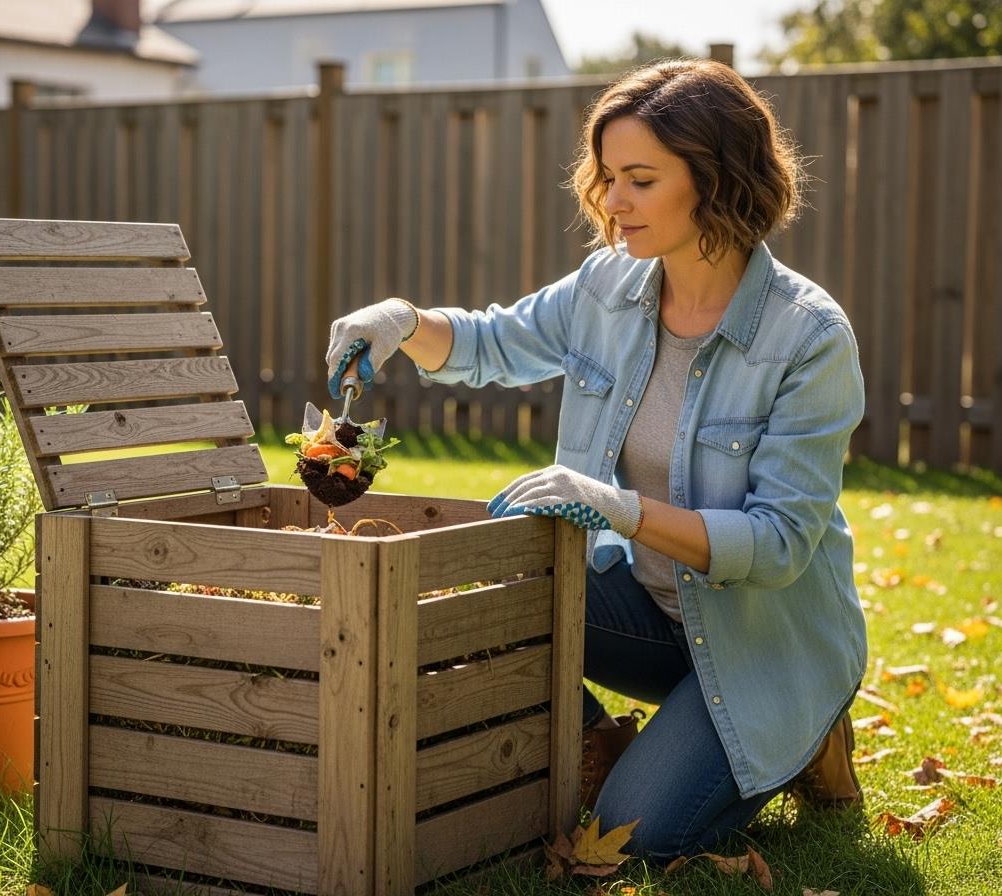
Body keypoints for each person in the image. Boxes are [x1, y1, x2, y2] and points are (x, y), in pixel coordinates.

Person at [323, 59, 867, 861]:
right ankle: (596, 747)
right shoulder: (609, 286)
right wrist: (401, 320)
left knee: (631, 838)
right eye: (609, 175)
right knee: (494, 568)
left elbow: (782, 542)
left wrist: (624, 510)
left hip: (765, 646)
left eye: (640, 179)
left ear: (715, 181)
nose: (612, 201)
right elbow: (492, 341)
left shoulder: (809, 338)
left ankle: (804, 728)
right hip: (651, 613)